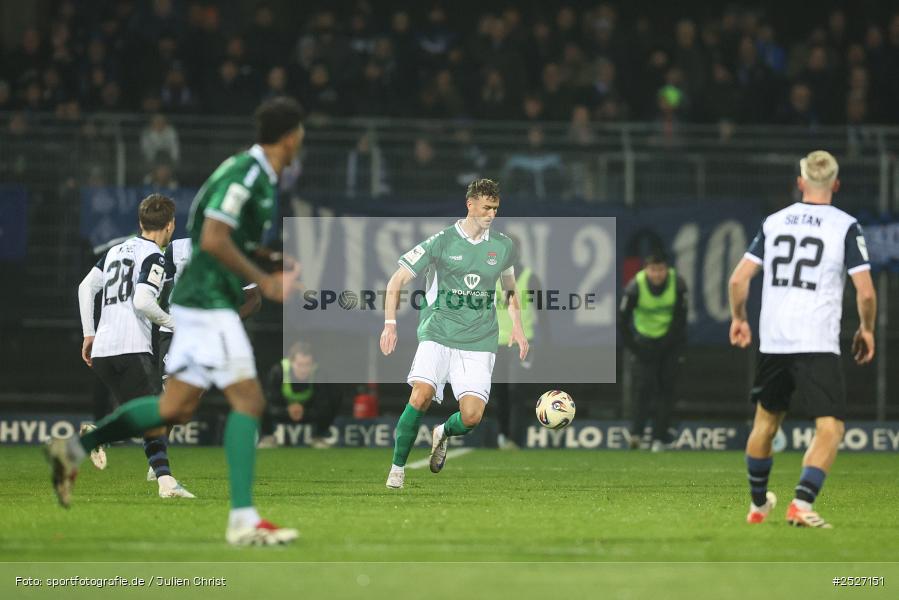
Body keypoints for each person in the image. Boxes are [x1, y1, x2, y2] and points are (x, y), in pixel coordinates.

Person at [46, 97, 304, 546]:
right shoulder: (248, 174)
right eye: (300, 134)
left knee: (174, 409)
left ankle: (74, 449)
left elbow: (221, 236)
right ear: (289, 137)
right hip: (207, 299)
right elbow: (213, 239)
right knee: (248, 401)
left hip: (198, 300)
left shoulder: (253, 174)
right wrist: (265, 280)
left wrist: (267, 257)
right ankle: (243, 520)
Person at [729, 150, 876, 528]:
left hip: (774, 339)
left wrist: (739, 319)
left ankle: (758, 504)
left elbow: (738, 279)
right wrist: (866, 328)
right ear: (836, 185)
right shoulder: (845, 226)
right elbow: (865, 292)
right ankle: (801, 503)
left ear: (800, 183)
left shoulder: (774, 222)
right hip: (816, 340)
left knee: (765, 424)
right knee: (830, 428)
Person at [380, 178, 529, 489]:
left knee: (471, 417)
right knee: (420, 395)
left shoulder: (503, 246)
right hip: (438, 332)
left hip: (479, 340)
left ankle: (443, 432)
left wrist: (517, 325)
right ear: (470, 205)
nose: (491, 214)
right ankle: (397, 469)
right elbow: (397, 280)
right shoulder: (441, 242)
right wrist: (390, 323)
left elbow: (509, 288)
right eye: (486, 208)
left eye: (495, 209)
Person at [76, 194, 194, 499]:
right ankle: (165, 482)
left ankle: (160, 477)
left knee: (147, 415)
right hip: (130, 347)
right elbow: (142, 301)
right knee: (158, 413)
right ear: (170, 225)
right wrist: (174, 323)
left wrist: (89, 334)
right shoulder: (154, 255)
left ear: (141, 222)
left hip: (103, 350)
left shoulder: (114, 251)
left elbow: (85, 287)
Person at [618, 252, 688, 452]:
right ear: (646, 270)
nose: (657, 274)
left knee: (666, 389)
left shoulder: (678, 284)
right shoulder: (634, 287)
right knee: (643, 388)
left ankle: (659, 438)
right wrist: (636, 347)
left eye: (661, 269)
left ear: (667, 269)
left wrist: (668, 343)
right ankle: (636, 435)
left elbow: (681, 318)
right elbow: (622, 321)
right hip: (644, 344)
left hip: (669, 343)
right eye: (653, 270)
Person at [491, 236, 544, 449]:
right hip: (495, 343)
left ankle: (515, 438)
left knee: (516, 391)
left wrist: (547, 343)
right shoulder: (490, 277)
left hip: (522, 342)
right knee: (499, 392)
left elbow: (543, 313)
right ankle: (502, 436)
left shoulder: (530, 278)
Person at [259, 341, 343, 449]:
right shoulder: (278, 372)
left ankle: (319, 436)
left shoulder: (319, 374)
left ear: (313, 364)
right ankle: (268, 437)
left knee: (334, 398)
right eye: (299, 365)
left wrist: (304, 410)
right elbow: (269, 401)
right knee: (259, 402)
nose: (303, 370)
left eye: (307, 365)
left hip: (307, 411)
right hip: (283, 410)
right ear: (291, 362)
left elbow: (324, 403)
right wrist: (287, 410)